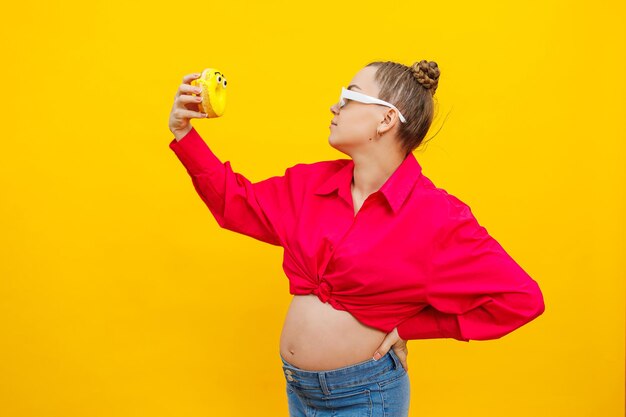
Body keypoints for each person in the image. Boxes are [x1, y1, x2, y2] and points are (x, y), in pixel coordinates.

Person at [167, 60, 546, 417]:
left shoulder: (439, 217)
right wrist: (184, 134)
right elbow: (236, 205)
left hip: (366, 396)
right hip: (299, 392)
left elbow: (521, 299)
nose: (335, 106)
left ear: (385, 119)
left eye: (349, 97)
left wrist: (412, 328)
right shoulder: (309, 184)